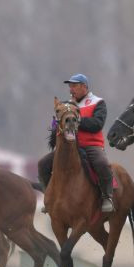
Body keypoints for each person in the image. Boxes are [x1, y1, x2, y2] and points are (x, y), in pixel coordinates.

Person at [36, 73, 115, 213]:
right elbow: (58, 123)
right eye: (70, 86)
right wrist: (57, 124)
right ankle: (50, 197)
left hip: (92, 145)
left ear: (84, 87)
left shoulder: (98, 102)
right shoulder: (66, 105)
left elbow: (98, 124)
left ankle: (107, 197)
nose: (71, 89)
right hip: (70, 147)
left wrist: (76, 120)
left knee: (102, 164)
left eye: (74, 86)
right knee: (43, 164)